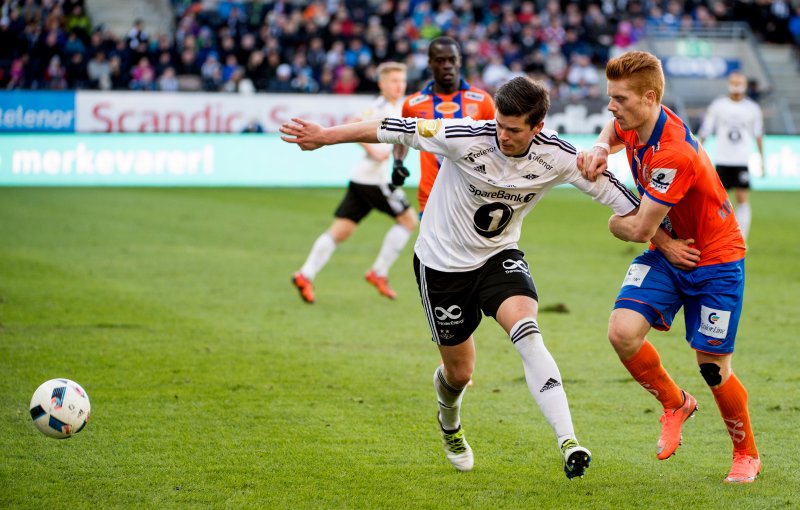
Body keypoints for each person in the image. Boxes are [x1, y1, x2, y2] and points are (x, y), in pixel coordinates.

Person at [281, 76, 657, 479]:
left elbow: (634, 207)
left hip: (498, 258)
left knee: (528, 333)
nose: (503, 135)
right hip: (441, 267)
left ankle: (569, 442)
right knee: (460, 373)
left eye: (514, 130)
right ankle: (450, 423)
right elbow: (391, 128)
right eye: (499, 124)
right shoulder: (464, 136)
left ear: (538, 128)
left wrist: (666, 243)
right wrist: (325, 136)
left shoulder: (559, 156)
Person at [579, 51, 760, 484]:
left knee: (713, 368)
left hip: (713, 260)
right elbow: (616, 128)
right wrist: (603, 144)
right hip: (672, 249)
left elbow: (640, 228)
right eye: (610, 97)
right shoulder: (641, 118)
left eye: (619, 98)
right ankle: (675, 402)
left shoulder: (673, 152)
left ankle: (746, 454)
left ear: (650, 96)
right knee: (621, 332)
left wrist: (611, 223)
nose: (611, 107)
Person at [291, 62, 417, 304]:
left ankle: (305, 274)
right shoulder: (379, 107)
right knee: (409, 221)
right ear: (381, 84)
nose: (399, 85)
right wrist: (374, 151)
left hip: (362, 178)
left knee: (341, 230)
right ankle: (379, 272)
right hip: (376, 179)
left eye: (402, 81)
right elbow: (352, 123)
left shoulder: (400, 106)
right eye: (393, 81)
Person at [391, 36, 495, 214]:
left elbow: (496, 142)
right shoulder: (413, 104)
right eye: (440, 60)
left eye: (452, 60)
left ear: (459, 62)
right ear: (430, 63)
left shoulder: (482, 101)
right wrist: (398, 163)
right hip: (431, 196)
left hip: (473, 196)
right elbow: (402, 138)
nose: (447, 65)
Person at [698, 71, 764, 241]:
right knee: (717, 200)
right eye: (733, 82)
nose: (736, 85)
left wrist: (761, 159)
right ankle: (718, 236)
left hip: (741, 160)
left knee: (742, 198)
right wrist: (697, 153)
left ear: (745, 85)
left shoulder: (752, 108)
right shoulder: (718, 105)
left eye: (739, 82)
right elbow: (706, 129)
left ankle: (741, 239)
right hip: (722, 159)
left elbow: (758, 134)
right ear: (729, 83)